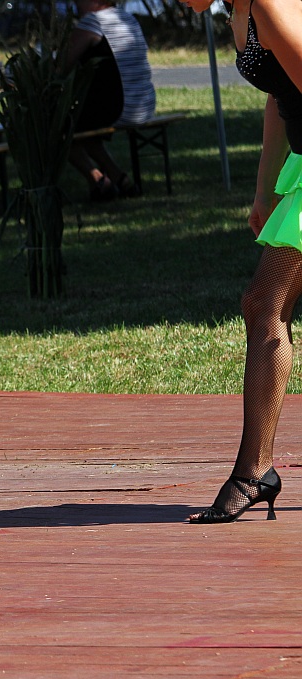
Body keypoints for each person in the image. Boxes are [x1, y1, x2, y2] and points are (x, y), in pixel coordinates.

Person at [180, 0, 302, 523]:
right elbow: (282, 95)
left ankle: (254, 473)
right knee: (263, 305)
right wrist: (264, 190)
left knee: (264, 303)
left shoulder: (269, 5)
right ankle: (256, 472)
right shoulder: (241, 11)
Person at [63, 0, 155, 200]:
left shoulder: (92, 23)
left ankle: (97, 179)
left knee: (58, 127)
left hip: (120, 108)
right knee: (83, 125)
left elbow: (61, 66)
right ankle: (118, 178)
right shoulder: (127, 18)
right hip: (144, 104)